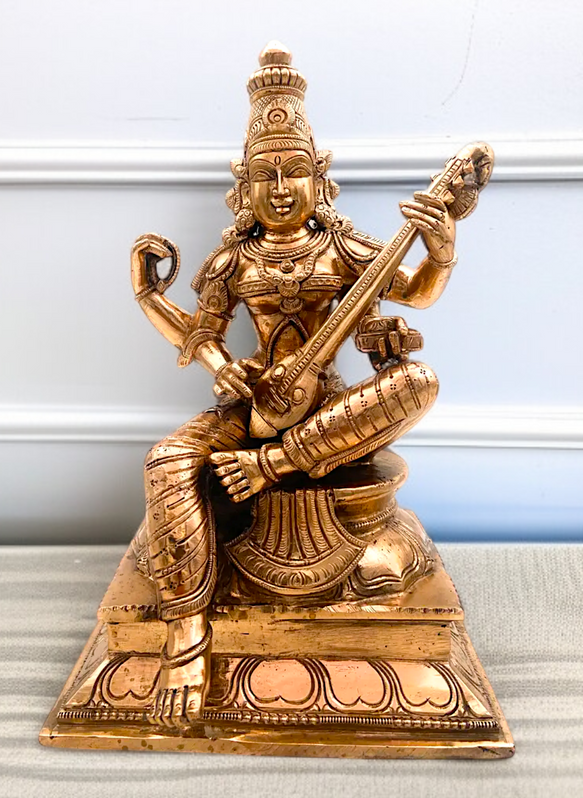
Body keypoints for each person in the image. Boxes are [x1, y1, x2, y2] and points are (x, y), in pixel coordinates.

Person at [131, 42, 460, 731]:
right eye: (266, 174)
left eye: (296, 171)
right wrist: (169, 316)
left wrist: (441, 252)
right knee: (166, 460)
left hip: (327, 409)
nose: (281, 188)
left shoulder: (342, 247)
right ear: (243, 187)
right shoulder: (233, 257)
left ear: (321, 178)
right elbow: (203, 333)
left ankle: (274, 466)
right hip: (250, 405)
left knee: (418, 382)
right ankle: (187, 634)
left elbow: (417, 292)